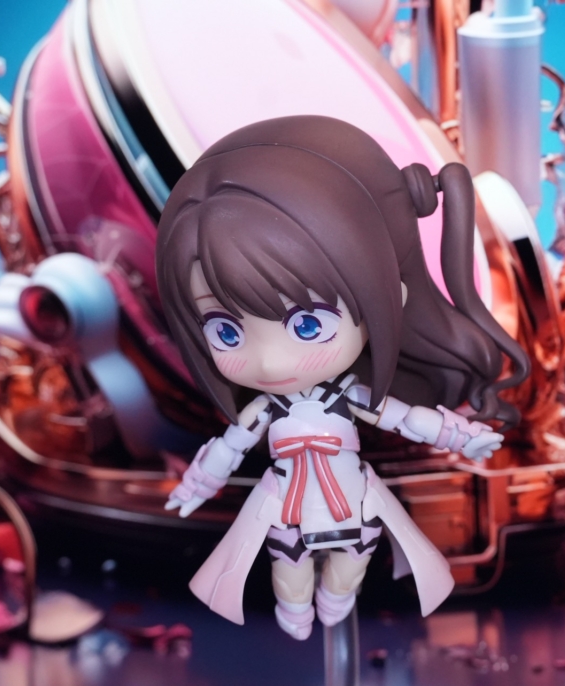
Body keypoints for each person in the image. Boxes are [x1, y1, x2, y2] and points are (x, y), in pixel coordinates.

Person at [156, 115, 528, 639]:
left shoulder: (349, 395)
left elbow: (407, 420)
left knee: (349, 570)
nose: (271, 363)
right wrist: (198, 484)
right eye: (226, 331)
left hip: (354, 502)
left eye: (307, 325)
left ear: (387, 299)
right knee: (289, 579)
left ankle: (335, 597)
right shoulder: (265, 410)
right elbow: (230, 447)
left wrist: (461, 436)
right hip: (285, 508)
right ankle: (297, 610)